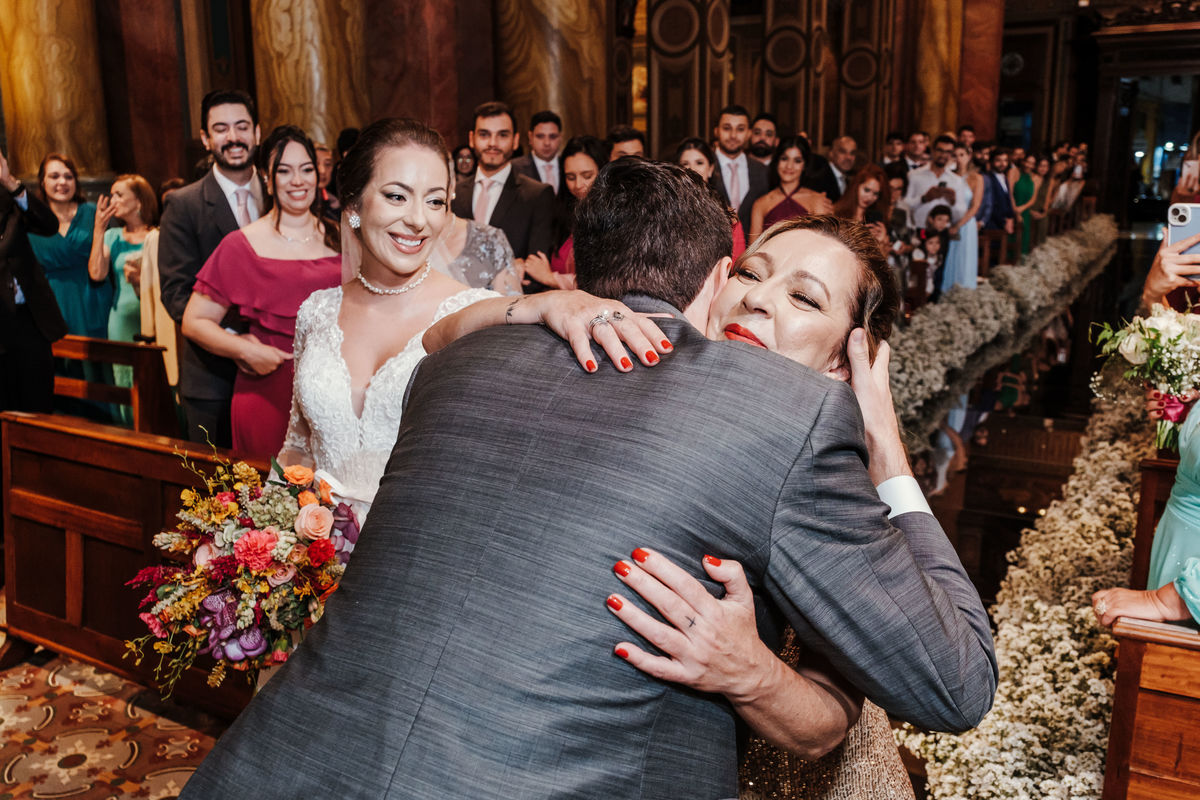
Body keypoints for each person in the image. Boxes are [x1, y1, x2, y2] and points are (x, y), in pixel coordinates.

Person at [182, 159, 996, 799]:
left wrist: (883, 451)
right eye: (751, 274)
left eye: (805, 298)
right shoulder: (646, 369)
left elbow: (866, 704)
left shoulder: (806, 430)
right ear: (714, 281)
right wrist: (532, 306)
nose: (757, 303)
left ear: (851, 359)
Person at [275, 117, 497, 510]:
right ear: (354, 204)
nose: (418, 219)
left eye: (435, 201)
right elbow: (298, 447)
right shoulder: (316, 311)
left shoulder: (473, 315)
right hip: (319, 540)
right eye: (397, 196)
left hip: (418, 536)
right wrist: (265, 529)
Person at [181, 125, 342, 459]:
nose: (298, 181)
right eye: (284, 171)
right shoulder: (241, 245)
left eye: (306, 169)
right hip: (268, 391)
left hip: (334, 394)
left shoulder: (340, 238)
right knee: (270, 488)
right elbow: (194, 321)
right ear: (267, 179)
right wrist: (243, 349)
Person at [158, 88, 265, 447]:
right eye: (221, 129)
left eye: (242, 126)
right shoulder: (184, 205)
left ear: (257, 132)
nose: (233, 137)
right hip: (213, 378)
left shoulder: (281, 196)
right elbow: (176, 293)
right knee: (216, 480)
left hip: (280, 371)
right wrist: (237, 341)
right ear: (205, 138)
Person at [87, 173, 159, 423]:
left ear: (139, 201)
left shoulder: (157, 236)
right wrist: (99, 230)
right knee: (125, 380)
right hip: (122, 320)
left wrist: (143, 278)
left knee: (158, 378)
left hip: (153, 319)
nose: (112, 200)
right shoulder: (113, 236)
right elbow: (96, 273)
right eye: (111, 194)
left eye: (119, 195)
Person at [1, 146, 68, 413]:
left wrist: (10, 183)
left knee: (38, 405)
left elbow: (48, 225)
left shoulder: (8, 199)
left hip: (30, 320)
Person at [451, 101, 555, 265]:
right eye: (484, 134)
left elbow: (537, 267)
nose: (493, 143)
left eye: (503, 135)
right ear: (472, 139)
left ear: (515, 140)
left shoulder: (537, 195)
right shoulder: (454, 193)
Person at [27, 153, 108, 341]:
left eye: (69, 177)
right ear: (42, 182)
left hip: (93, 299)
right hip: (52, 302)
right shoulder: (32, 220)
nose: (62, 182)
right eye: (54, 176)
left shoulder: (93, 212)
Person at [523, 135, 610, 289]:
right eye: (570, 177)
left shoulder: (616, 217)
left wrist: (551, 278)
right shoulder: (561, 213)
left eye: (587, 176)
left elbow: (605, 281)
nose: (578, 185)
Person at [750, 135, 834, 240]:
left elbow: (824, 244)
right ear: (777, 161)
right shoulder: (760, 204)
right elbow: (753, 248)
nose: (789, 166)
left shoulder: (817, 201)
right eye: (784, 159)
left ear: (804, 165)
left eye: (797, 161)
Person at [675, 137, 746, 259]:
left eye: (699, 163)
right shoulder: (669, 210)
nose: (692, 169)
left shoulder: (728, 215)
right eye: (685, 164)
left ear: (710, 169)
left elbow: (738, 260)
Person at [710, 104, 769, 232]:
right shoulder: (704, 166)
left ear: (749, 133)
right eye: (727, 128)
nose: (733, 135)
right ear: (716, 131)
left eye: (740, 129)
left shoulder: (763, 171)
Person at [904, 134, 969, 231]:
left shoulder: (957, 180)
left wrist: (953, 202)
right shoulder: (914, 175)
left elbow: (960, 214)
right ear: (932, 151)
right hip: (920, 230)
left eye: (948, 152)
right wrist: (924, 198)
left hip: (943, 233)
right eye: (940, 150)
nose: (943, 155)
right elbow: (903, 206)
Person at [942, 143, 983, 292]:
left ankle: (964, 293)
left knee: (964, 260)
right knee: (947, 259)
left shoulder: (976, 178)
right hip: (947, 222)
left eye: (962, 155)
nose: (958, 159)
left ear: (969, 156)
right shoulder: (948, 176)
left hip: (966, 225)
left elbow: (975, 205)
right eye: (955, 155)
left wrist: (958, 225)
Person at [832, 163, 890, 251]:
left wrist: (881, 242)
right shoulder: (836, 211)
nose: (869, 197)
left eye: (875, 194)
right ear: (856, 186)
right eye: (866, 190)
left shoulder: (875, 218)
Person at [512, 110, 564, 192]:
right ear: (530, 137)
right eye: (540, 136)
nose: (547, 143)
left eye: (552, 136)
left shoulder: (568, 165)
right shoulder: (513, 168)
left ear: (560, 137)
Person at [1012, 153, 1038, 255]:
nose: (1029, 165)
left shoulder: (1034, 178)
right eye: (1028, 162)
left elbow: (1033, 199)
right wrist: (1016, 211)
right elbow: (1010, 193)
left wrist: (1022, 208)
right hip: (1013, 209)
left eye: (1032, 164)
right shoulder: (1014, 172)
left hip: (1025, 212)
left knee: (1023, 242)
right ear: (1023, 161)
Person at [1029, 155, 1054, 247]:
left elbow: (1047, 199)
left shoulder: (1050, 180)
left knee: (1043, 221)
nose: (1043, 169)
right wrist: (1031, 211)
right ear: (1036, 166)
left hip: (1041, 210)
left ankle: (1040, 249)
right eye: (1041, 166)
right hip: (1029, 208)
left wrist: (1044, 212)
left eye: (1046, 166)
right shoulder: (1031, 177)